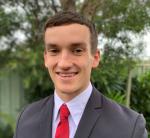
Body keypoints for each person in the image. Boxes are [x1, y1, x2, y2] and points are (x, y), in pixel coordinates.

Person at [13, 11, 147, 138]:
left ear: (95, 57)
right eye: (54, 50)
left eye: (77, 50)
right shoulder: (25, 119)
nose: (64, 63)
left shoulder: (129, 127)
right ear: (46, 58)